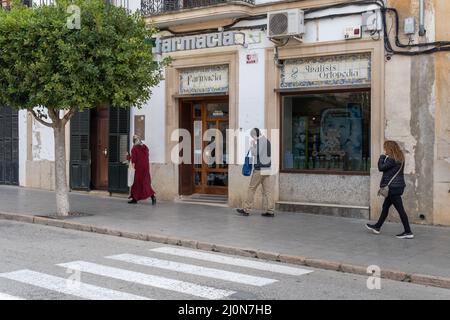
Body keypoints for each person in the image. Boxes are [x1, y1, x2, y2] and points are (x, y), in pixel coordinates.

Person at [366, 140, 414, 239]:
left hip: (392, 188)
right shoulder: (400, 158)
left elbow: (381, 168)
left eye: (385, 148)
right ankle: (377, 227)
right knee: (385, 207)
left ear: (389, 148)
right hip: (396, 187)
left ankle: (408, 231)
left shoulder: (391, 159)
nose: (384, 150)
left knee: (400, 210)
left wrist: (382, 157)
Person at [236, 128, 275, 217]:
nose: (253, 138)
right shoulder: (267, 141)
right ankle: (270, 211)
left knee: (251, 189)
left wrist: (252, 145)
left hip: (259, 169)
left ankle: (246, 209)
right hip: (267, 168)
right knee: (267, 191)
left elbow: (255, 153)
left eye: (252, 136)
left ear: (254, 135)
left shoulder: (261, 141)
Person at [126, 135, 156, 205]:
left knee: (135, 183)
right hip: (145, 168)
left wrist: (128, 157)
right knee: (146, 184)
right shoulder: (145, 147)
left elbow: (134, 160)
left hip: (138, 169)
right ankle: (152, 197)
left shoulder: (134, 148)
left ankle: (134, 199)